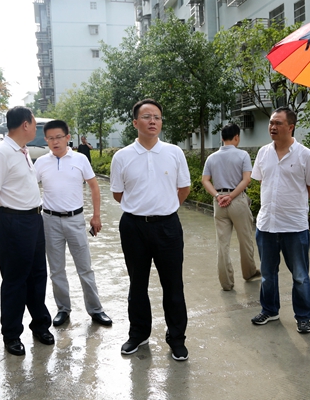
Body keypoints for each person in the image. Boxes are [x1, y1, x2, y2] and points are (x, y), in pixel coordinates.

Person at [110, 98, 191, 361]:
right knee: (137, 284)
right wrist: (142, 209)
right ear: (135, 123)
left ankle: (176, 338)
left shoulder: (174, 152)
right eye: (146, 117)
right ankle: (139, 334)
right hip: (133, 227)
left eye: (157, 116)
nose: (152, 121)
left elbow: (184, 189)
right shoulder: (122, 156)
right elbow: (118, 194)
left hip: (167, 227)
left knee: (173, 285)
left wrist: (163, 209)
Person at [0, 106, 53, 356]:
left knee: (37, 275)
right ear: (25, 124)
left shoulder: (21, 151)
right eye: (34, 123)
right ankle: (11, 334)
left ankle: (40, 324)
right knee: (15, 280)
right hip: (12, 222)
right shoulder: (1, 153)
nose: (35, 128)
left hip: (33, 220)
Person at [34, 119, 112, 327]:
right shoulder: (41, 163)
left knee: (85, 267)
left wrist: (96, 216)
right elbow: (31, 190)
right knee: (56, 269)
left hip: (75, 219)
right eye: (50, 138)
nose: (54, 142)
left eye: (58, 137)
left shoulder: (80, 159)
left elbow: (94, 187)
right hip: (49, 220)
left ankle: (96, 310)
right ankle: (63, 309)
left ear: (68, 138)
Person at [250, 106, 310, 334]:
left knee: (300, 276)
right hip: (266, 225)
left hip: (294, 227)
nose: (272, 126)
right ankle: (269, 310)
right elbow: (263, 182)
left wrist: (291, 204)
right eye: (271, 122)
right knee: (268, 275)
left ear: (291, 127)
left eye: (278, 123)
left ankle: (303, 317)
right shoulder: (263, 153)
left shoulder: (305, 155)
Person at [201, 123, 260, 291]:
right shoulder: (243, 155)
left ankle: (226, 283)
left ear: (221, 138)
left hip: (219, 203)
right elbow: (246, 180)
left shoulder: (212, 158)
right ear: (236, 137)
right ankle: (249, 273)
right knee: (245, 240)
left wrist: (218, 196)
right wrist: (231, 196)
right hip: (238, 201)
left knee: (222, 244)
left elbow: (205, 180)